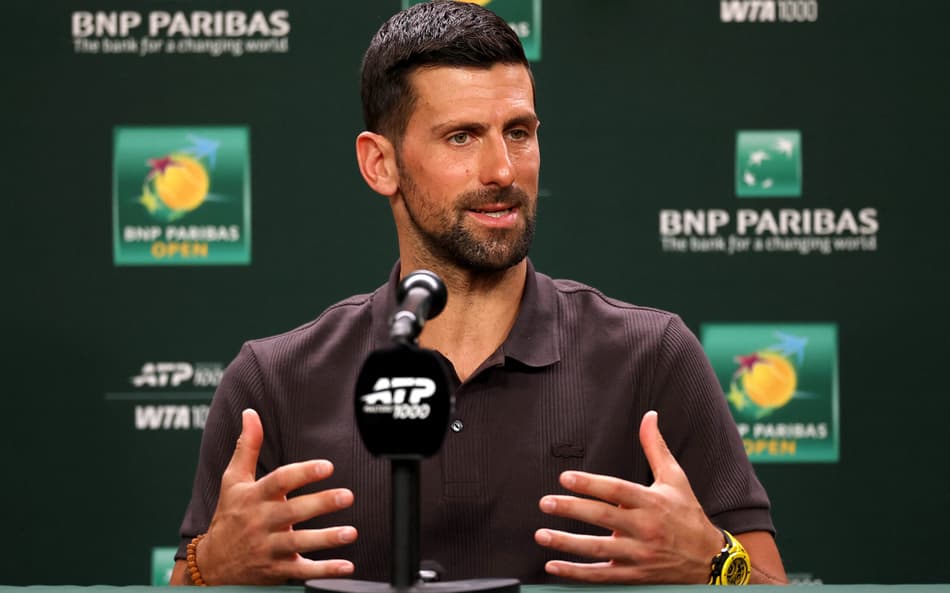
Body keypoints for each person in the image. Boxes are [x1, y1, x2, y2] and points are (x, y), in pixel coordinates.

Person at [170, 0, 787, 586]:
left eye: (518, 131)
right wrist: (211, 568)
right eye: (462, 137)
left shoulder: (651, 357)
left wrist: (712, 560)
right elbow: (189, 580)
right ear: (379, 163)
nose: (503, 170)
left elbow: (768, 583)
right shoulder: (274, 382)